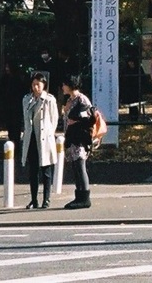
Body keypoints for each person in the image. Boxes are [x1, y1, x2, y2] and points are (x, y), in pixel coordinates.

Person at [21, 71, 58, 209]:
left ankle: (46, 199)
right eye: (33, 84)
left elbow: (54, 119)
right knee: (33, 171)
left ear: (44, 85)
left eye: (38, 84)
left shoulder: (49, 100)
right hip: (31, 138)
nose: (36, 87)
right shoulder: (26, 99)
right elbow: (25, 118)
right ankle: (34, 199)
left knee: (46, 170)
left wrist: (49, 133)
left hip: (44, 138)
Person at [61, 75, 94, 209]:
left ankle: (85, 197)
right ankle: (79, 196)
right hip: (71, 137)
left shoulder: (82, 99)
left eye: (64, 84)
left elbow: (90, 117)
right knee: (75, 167)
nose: (62, 87)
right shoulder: (70, 99)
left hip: (80, 138)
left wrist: (76, 120)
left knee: (80, 166)